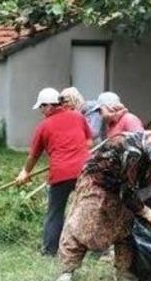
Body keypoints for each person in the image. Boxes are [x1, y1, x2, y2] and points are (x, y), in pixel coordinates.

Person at [55, 125, 151, 281]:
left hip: (125, 185)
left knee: (126, 225)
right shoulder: (130, 151)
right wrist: (149, 214)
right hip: (98, 182)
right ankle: (67, 270)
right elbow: (125, 192)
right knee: (84, 225)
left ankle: (124, 271)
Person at [15, 87, 93, 256]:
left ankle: (50, 251)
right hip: (85, 171)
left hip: (61, 173)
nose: (41, 111)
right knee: (89, 209)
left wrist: (25, 172)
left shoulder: (43, 126)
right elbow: (89, 142)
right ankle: (96, 249)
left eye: (42, 107)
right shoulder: (78, 116)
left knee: (55, 212)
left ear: (49, 106)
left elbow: (33, 155)